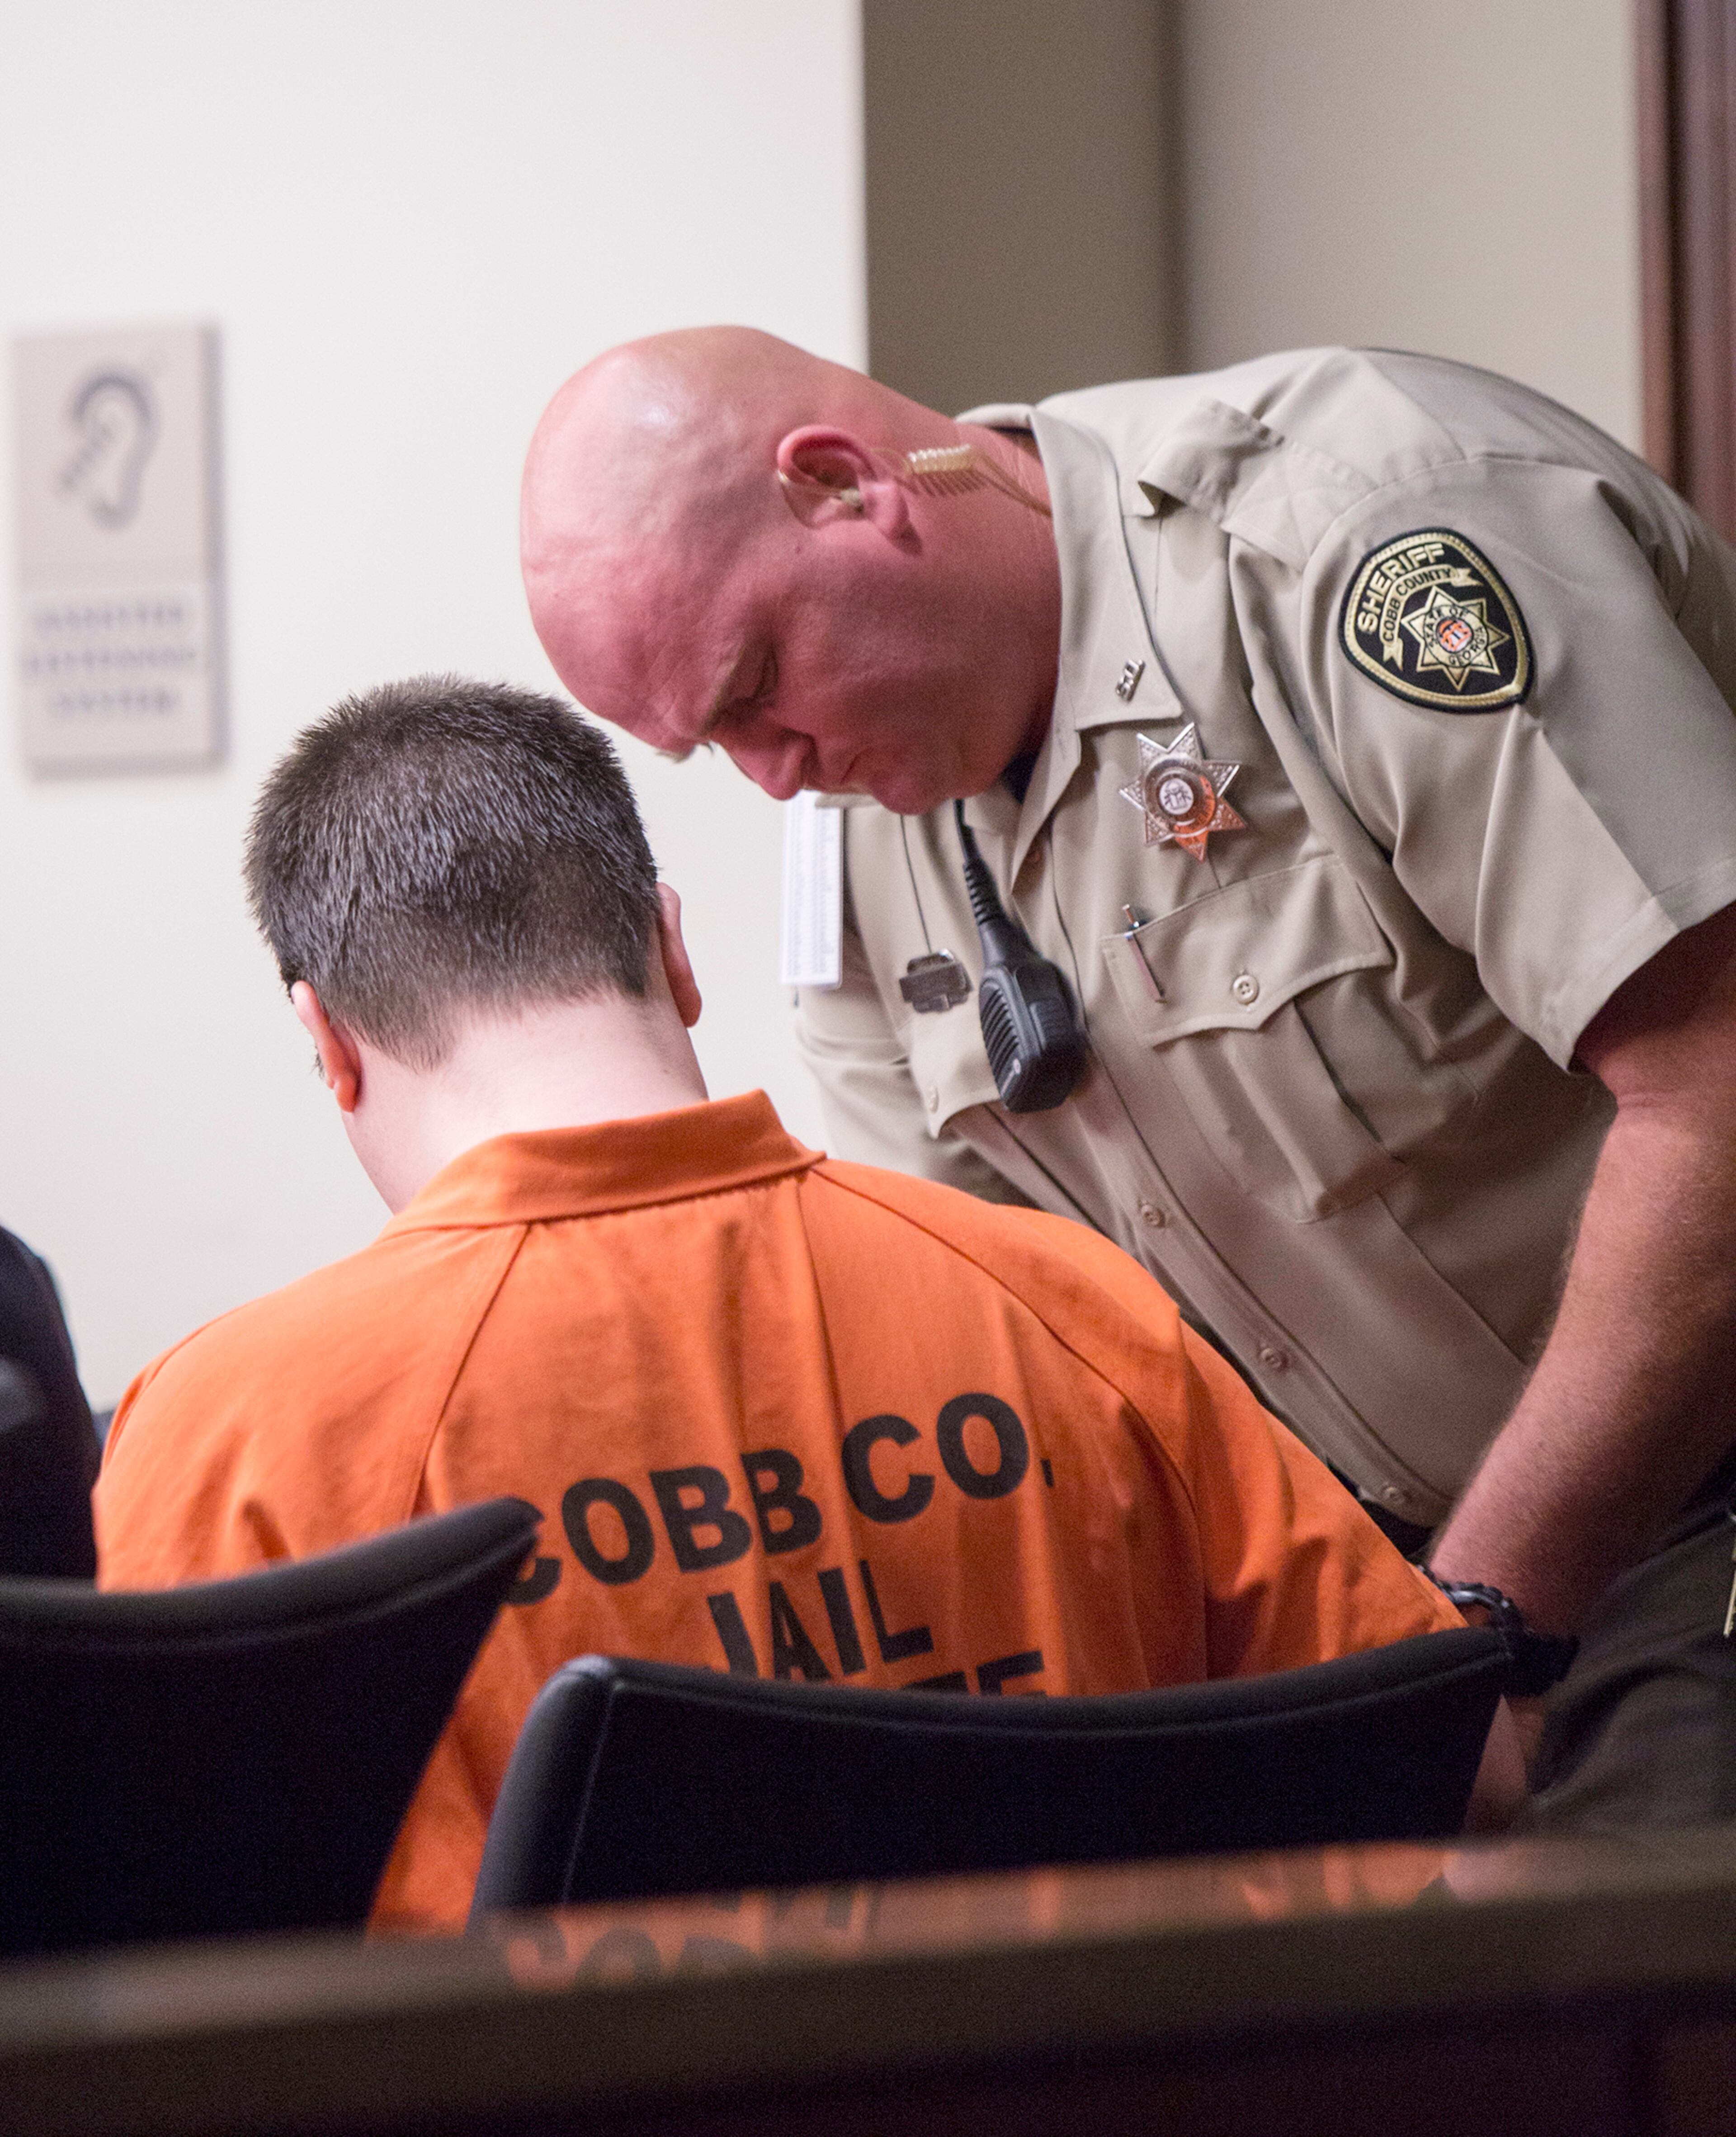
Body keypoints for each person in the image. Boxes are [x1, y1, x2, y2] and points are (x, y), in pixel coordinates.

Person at [519, 327, 1736, 1830]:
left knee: (1615, 2008)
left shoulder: (1357, 538)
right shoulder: (852, 848)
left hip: (1678, 1503)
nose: (773, 774)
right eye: (711, 745)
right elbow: (1010, 1342)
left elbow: (1715, 1091)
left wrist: (1488, 1631)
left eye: (760, 685)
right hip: (1398, 1597)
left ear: (847, 489)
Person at [94, 675, 1479, 1932]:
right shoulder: (1071, 1305)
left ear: (325, 1042)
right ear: (674, 949)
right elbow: (1435, 1765)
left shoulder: (232, 1437)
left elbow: (168, 1981)